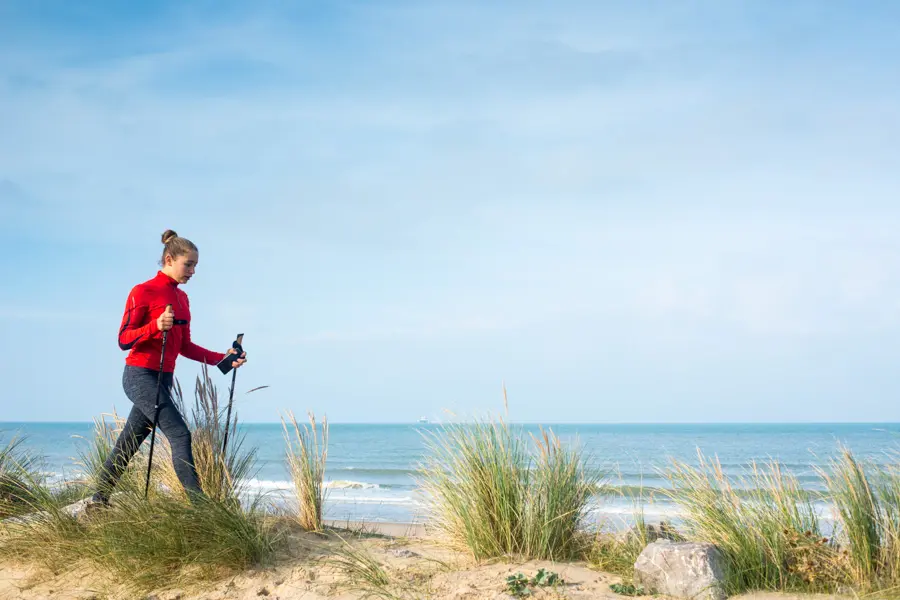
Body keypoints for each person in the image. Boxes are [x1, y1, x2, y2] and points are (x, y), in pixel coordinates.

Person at [90, 229, 247, 506]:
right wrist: (155, 326)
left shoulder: (183, 300)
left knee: (129, 442)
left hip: (164, 379)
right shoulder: (142, 291)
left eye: (195, 266)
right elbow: (123, 339)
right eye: (189, 265)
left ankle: (99, 499)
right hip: (139, 376)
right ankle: (201, 508)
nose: (193, 271)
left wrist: (223, 359)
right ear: (169, 260)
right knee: (180, 433)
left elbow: (185, 346)